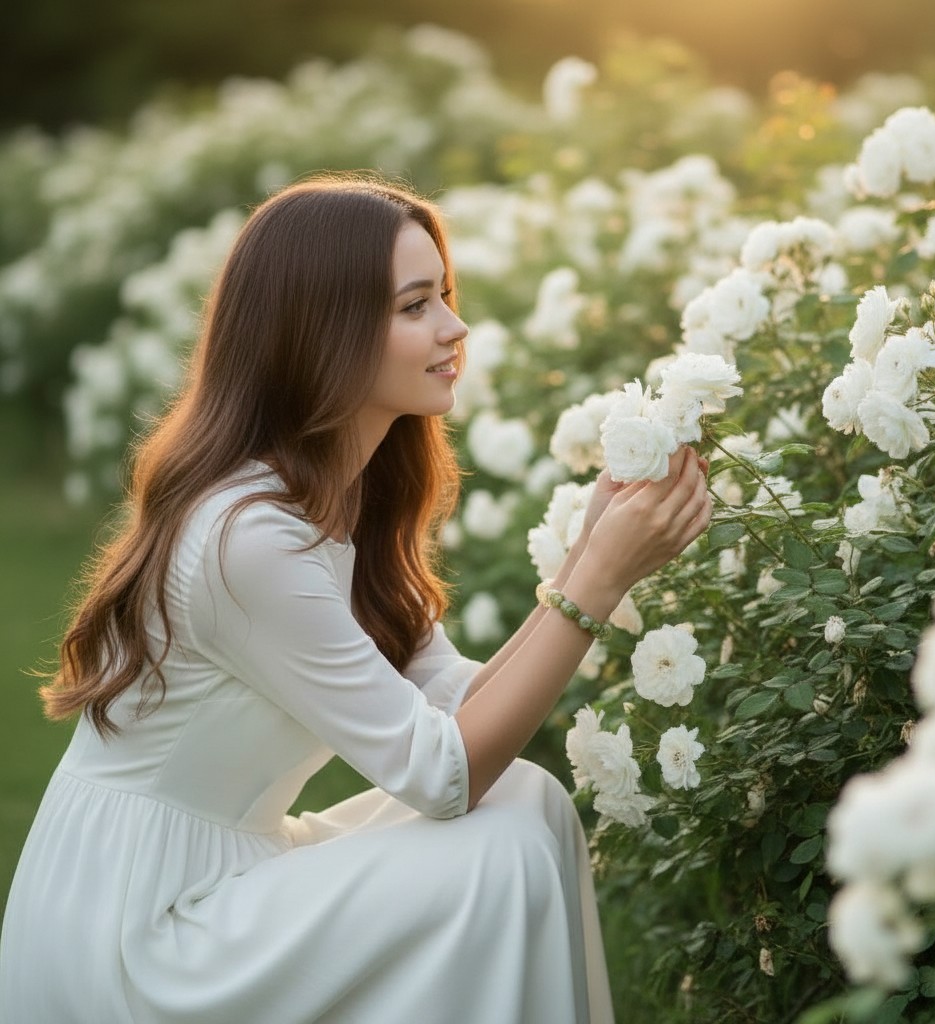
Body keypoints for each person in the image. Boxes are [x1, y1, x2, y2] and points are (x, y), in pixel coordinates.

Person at [0, 175, 712, 1023]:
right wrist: (597, 583)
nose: (456, 328)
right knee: (500, 848)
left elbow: (450, 709)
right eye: (415, 307)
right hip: (139, 927)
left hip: (230, 869)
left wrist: (586, 559)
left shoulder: (346, 494)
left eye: (443, 296)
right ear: (322, 332)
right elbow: (444, 776)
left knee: (531, 803)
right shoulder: (247, 539)